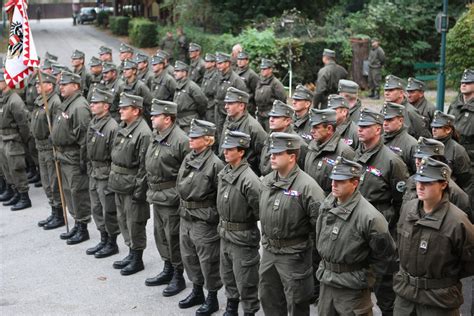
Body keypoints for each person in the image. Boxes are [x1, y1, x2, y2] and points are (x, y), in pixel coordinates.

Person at [394, 157, 474, 315]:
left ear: (443, 184)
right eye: (418, 180)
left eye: (428, 182)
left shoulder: (457, 221)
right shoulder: (409, 209)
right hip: (405, 298)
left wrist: (443, 281)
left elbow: (469, 262)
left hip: (438, 302)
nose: (420, 186)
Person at [316, 157, 396, 316]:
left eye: (341, 181)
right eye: (333, 179)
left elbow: (385, 256)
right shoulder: (328, 203)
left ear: (355, 183)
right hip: (327, 281)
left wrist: (364, 276)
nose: (334, 184)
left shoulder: (370, 217)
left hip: (352, 288)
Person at [259, 132, 325, 316]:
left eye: (278, 153)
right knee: (268, 297)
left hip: (293, 255)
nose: (272, 156)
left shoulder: (308, 187)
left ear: (292, 157)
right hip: (270, 251)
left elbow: (319, 226)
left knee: (296, 303)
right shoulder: (268, 180)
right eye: (272, 152)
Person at [354, 108, 409, 315]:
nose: (360, 129)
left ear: (378, 129)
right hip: (358, 226)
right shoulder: (356, 154)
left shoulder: (392, 161)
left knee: (385, 288)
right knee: (358, 284)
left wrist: (391, 233)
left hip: (382, 230)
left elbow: (401, 202)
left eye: (365, 126)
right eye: (359, 125)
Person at [176, 119, 224, 315]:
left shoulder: (215, 165)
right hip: (186, 215)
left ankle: (211, 297)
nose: (191, 139)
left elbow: (220, 197)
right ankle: (197, 291)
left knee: (208, 260)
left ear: (208, 140)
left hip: (204, 218)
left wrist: (212, 216)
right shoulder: (189, 157)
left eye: (195, 137)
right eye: (191, 135)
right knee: (189, 257)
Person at [144, 99, 190, 297]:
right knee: (160, 235)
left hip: (171, 196)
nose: (152, 118)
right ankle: (167, 268)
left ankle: (178, 275)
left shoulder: (180, 140)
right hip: (157, 194)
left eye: (156, 116)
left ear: (168, 118)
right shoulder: (157, 135)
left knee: (173, 237)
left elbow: (188, 173)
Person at [217, 131, 261, 316]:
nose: (225, 152)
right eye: (225, 148)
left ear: (241, 152)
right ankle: (231, 307)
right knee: (228, 275)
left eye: (230, 149)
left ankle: (249, 311)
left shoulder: (249, 180)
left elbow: (260, 211)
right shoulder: (225, 171)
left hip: (242, 237)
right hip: (226, 233)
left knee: (246, 280)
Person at [108, 93, 152, 275]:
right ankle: (130, 251)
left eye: (125, 108)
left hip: (132, 184)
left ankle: (137, 257)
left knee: (135, 222)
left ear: (136, 110)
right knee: (123, 219)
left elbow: (144, 166)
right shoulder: (123, 126)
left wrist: (139, 191)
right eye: (120, 108)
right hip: (119, 181)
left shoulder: (143, 132)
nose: (121, 111)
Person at [50, 71, 92, 243]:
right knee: (68, 191)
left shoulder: (79, 106)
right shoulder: (66, 103)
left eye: (65, 84)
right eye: (60, 84)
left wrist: (83, 160)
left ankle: (83, 227)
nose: (61, 87)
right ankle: (76, 222)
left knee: (78, 192)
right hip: (63, 155)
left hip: (74, 156)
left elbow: (84, 137)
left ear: (75, 86)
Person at [85, 89, 120, 259]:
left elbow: (115, 155)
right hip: (94, 170)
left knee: (108, 209)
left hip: (105, 172)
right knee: (96, 207)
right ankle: (103, 237)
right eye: (91, 102)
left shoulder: (112, 127)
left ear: (105, 106)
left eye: (96, 103)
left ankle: (112, 242)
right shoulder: (94, 122)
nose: (91, 105)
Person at [401, 137, 471, 219]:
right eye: (416, 157)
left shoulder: (455, 193)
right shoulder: (411, 181)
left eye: (422, 158)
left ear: (436, 160)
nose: (417, 162)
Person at [31, 72, 64, 229]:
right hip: (41, 147)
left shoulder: (55, 102)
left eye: (40, 83)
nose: (37, 86)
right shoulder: (40, 100)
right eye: (37, 84)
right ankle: (53, 210)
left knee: (54, 182)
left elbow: (58, 127)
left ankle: (59, 214)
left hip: (50, 147)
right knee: (46, 181)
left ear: (50, 85)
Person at [0, 70, 32, 211]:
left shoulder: (14, 100)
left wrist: (22, 140)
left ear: (6, 82)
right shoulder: (5, 98)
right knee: (8, 168)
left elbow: (24, 124)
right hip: (5, 138)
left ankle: (24, 197)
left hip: (13, 139)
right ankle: (16, 193)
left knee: (17, 168)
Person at [304, 108, 355, 195]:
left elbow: (347, 188)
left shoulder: (344, 152)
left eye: (316, 127)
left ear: (329, 128)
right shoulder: (312, 145)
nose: (311, 131)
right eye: (311, 127)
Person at [219, 87, 267, 176]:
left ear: (241, 106)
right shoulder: (228, 120)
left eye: (230, 103)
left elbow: (264, 152)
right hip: (228, 169)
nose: (226, 106)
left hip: (245, 174)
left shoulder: (253, 127)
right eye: (226, 103)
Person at [259, 100, 307, 177]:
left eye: (276, 117)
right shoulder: (270, 136)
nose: (271, 119)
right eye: (271, 116)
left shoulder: (298, 144)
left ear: (287, 121)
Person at [448, 69, 474, 210]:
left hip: (471, 162)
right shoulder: (454, 105)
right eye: (463, 82)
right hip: (452, 159)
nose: (464, 85)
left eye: (468, 82)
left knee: (468, 202)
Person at [431, 110, 472, 195]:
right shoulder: (429, 145)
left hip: (449, 193)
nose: (434, 130)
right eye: (433, 127)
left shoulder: (457, 150)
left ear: (448, 129)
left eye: (438, 127)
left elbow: (465, 180)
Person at [383, 74, 431, 139]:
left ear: (401, 93)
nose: (386, 93)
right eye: (385, 90)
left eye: (391, 90)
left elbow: (423, 136)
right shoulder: (384, 110)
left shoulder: (410, 111)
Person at [214, 52, 247, 142]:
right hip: (219, 111)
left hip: (231, 114)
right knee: (219, 135)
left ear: (227, 63)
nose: (218, 65)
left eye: (220, 63)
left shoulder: (236, 80)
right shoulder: (218, 76)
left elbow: (243, 99)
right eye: (217, 63)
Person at [382, 102, 418, 173]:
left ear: (400, 121)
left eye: (389, 120)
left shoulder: (411, 144)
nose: (385, 123)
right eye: (384, 119)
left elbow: (417, 173)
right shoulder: (378, 139)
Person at [172, 61, 207, 133]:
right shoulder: (178, 85)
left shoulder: (192, 86)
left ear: (184, 73)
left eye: (177, 71)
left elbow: (203, 102)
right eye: (175, 71)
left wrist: (197, 114)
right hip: (179, 121)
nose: (174, 73)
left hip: (189, 121)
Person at [254, 58, 287, 132]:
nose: (262, 70)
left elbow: (283, 99)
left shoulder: (276, 83)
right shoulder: (260, 82)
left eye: (265, 69)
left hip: (270, 116)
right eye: (262, 69)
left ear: (270, 70)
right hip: (260, 114)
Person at [236, 51, 259, 117]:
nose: (240, 61)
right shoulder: (235, 72)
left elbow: (256, 93)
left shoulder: (252, 75)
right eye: (238, 59)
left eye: (242, 59)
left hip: (248, 107)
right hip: (237, 105)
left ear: (247, 61)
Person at [200, 53, 219, 123]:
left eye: (208, 62)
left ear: (213, 63)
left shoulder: (216, 74)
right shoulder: (207, 73)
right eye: (205, 61)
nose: (205, 63)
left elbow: (213, 91)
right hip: (205, 103)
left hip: (211, 105)